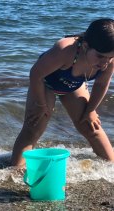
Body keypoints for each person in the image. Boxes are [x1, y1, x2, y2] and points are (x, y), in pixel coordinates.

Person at [11, 18, 114, 168]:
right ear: (85, 46)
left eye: (110, 57)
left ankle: (111, 167)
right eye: (100, 56)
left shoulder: (109, 60)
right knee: (34, 126)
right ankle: (15, 170)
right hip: (45, 84)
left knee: (90, 126)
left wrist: (91, 110)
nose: (104, 62)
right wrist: (40, 104)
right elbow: (36, 74)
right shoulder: (65, 50)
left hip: (73, 85)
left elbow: (101, 83)